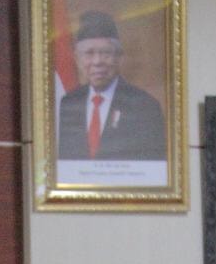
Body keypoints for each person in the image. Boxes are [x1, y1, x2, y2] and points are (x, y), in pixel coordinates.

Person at [57, 11, 166, 162]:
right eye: (89, 53)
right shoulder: (68, 103)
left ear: (119, 57)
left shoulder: (144, 106)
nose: (97, 62)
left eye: (105, 53)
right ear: (77, 59)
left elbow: (153, 165)